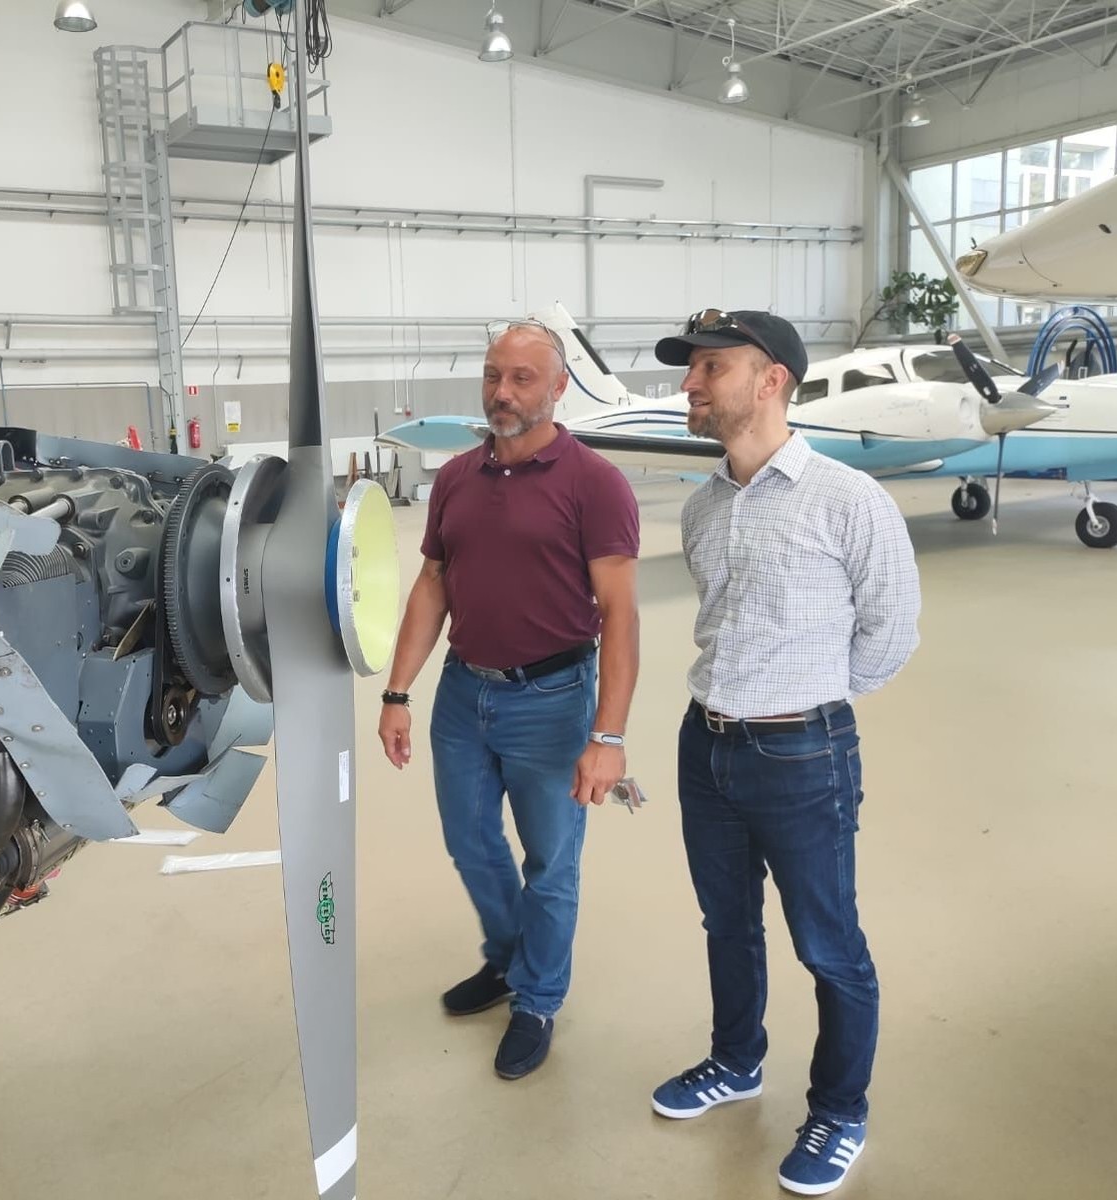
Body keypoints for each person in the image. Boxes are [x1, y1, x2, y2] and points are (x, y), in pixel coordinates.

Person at [646, 309, 920, 1196]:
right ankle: (737, 1061)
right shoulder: (703, 506)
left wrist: (809, 707)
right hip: (705, 745)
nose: (690, 384)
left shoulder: (849, 500)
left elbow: (890, 633)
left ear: (771, 381)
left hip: (803, 754)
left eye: (710, 368)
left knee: (828, 944)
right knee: (727, 924)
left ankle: (840, 1110)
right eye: (690, 369)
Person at [378, 320, 641, 1081]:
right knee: (470, 842)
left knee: (551, 863)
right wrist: (398, 692)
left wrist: (608, 736)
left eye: (522, 378)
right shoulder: (457, 478)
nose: (503, 391)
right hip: (464, 695)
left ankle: (537, 998)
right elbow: (433, 584)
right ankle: (508, 957)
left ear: (557, 388)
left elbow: (620, 615)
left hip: (553, 701)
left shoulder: (594, 483)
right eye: (494, 375)